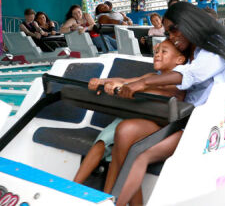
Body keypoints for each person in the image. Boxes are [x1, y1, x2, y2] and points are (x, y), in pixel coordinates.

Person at [89, 2, 225, 205]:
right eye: (168, 32)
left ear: (189, 23)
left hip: (199, 125)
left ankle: (115, 202)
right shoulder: (193, 50)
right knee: (125, 132)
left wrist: (142, 83)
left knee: (140, 156)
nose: (171, 36)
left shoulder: (215, 48)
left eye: (174, 30)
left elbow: (190, 75)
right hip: (181, 116)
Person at [73, 40, 186, 185]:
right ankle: (74, 186)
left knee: (119, 152)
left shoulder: (180, 81)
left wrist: (126, 87)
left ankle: (108, 195)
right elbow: (124, 80)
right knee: (101, 142)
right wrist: (102, 81)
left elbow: (161, 93)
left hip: (153, 125)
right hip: (133, 116)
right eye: (156, 52)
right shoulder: (150, 76)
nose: (157, 55)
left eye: (163, 52)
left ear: (180, 59)